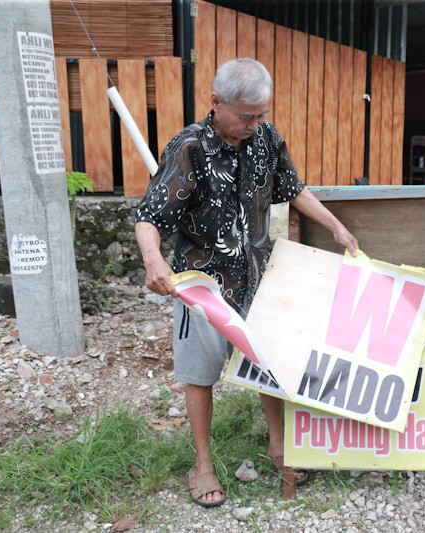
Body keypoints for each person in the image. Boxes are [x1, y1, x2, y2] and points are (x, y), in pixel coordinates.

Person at [135, 57, 358, 508]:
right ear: (216, 102)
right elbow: (150, 216)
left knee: (269, 366)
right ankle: (201, 462)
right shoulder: (188, 148)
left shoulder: (266, 140)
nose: (256, 125)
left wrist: (336, 225)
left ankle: (280, 446)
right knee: (199, 376)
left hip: (259, 279)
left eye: (262, 114)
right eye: (246, 116)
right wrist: (154, 259)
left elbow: (293, 187)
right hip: (202, 288)